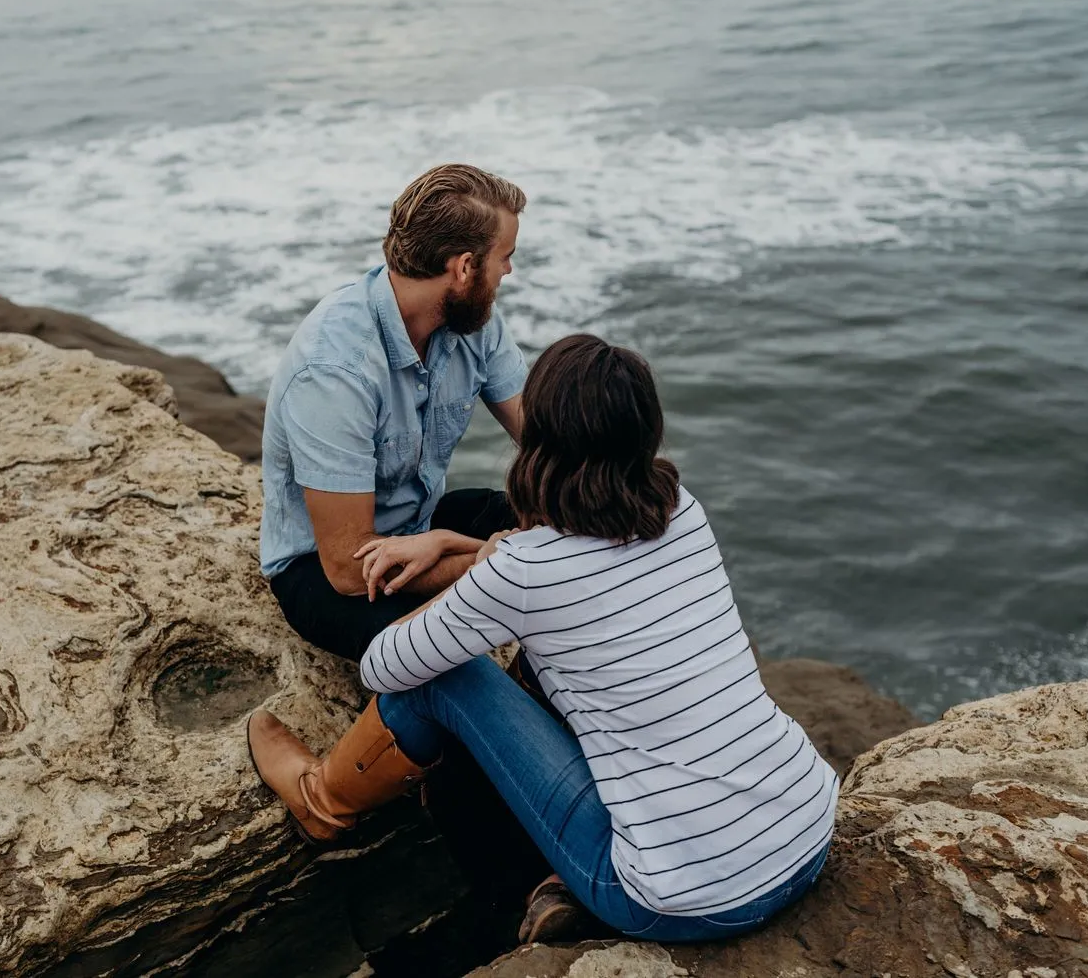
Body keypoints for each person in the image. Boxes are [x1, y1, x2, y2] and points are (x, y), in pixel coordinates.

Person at [248, 335, 839, 943]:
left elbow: (385, 668)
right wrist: (467, 547)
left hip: (682, 899)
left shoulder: (527, 570)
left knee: (446, 675)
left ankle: (321, 802)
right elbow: (563, 564)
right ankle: (545, 882)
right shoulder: (681, 509)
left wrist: (471, 567)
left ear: (542, 439)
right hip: (807, 828)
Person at [259, 163, 529, 664]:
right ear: (465, 267)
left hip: (417, 525)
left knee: (567, 515)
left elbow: (546, 442)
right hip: (326, 574)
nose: (508, 271)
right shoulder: (334, 370)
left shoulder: (474, 324)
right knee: (447, 658)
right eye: (505, 257)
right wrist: (496, 560)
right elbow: (346, 566)